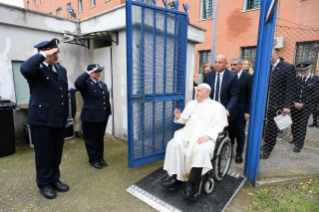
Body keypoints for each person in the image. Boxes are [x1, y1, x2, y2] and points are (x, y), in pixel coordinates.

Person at [20, 38, 69, 199]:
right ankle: (44, 183)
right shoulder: (36, 69)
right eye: (53, 53)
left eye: (57, 52)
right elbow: (25, 68)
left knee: (56, 152)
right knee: (43, 154)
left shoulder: (61, 70)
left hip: (58, 119)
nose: (56, 55)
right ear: (44, 53)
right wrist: (42, 55)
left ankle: (54, 179)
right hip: (41, 120)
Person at [161, 83, 228, 200]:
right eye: (196, 91)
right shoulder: (191, 104)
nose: (196, 93)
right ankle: (175, 177)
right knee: (173, 144)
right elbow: (184, 119)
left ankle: (190, 184)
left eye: (199, 91)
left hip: (204, 136)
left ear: (207, 93)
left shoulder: (217, 106)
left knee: (201, 150)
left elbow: (220, 126)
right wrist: (178, 117)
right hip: (187, 134)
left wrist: (208, 136)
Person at [75, 64, 112, 169]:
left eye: (98, 72)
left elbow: (106, 100)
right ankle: (93, 159)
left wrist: (108, 113)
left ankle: (100, 158)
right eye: (95, 72)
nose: (97, 74)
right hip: (90, 117)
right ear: (90, 73)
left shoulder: (103, 85)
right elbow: (77, 83)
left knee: (99, 139)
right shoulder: (85, 84)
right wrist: (87, 73)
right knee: (91, 140)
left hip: (102, 116)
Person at [262, 50, 295, 159]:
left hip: (277, 104)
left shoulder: (287, 67)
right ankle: (264, 144)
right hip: (264, 103)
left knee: (272, 127)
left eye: (270, 56)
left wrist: (287, 105)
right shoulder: (266, 67)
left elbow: (290, 88)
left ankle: (268, 149)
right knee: (263, 127)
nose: (268, 58)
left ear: (275, 55)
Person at [290, 61, 319, 152]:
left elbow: (315, 94)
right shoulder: (296, 79)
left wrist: (304, 104)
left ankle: (299, 145)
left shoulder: (316, 79)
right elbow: (292, 92)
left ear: (310, 68)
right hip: (295, 106)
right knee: (294, 124)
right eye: (301, 70)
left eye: (305, 70)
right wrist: (294, 102)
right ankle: (295, 139)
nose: (302, 72)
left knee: (302, 125)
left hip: (307, 107)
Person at [228, 57, 252, 164]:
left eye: (234, 65)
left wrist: (247, 111)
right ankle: (229, 149)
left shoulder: (247, 77)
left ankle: (239, 153)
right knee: (230, 131)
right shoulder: (228, 76)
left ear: (240, 65)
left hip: (241, 111)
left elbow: (250, 96)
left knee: (240, 132)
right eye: (231, 65)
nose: (232, 67)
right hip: (229, 110)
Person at [203, 55, 239, 122]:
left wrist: (227, 109)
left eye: (220, 62)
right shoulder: (208, 76)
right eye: (216, 62)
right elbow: (203, 93)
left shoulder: (232, 77)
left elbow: (234, 96)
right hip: (210, 110)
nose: (217, 64)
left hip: (224, 110)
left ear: (226, 64)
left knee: (221, 131)